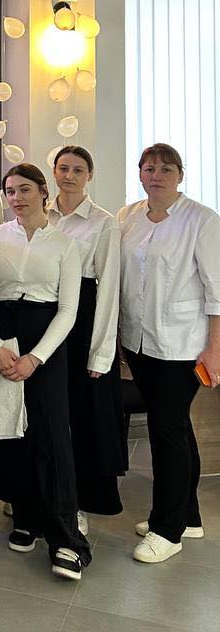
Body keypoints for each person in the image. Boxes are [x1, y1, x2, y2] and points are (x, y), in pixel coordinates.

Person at [0, 163, 89, 580]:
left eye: (25, 189)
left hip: (46, 343)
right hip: (2, 338)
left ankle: (66, 540)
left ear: (44, 192)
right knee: (12, 432)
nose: (17, 198)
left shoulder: (65, 243)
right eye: (10, 191)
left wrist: (36, 357)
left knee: (52, 436)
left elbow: (68, 310)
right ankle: (25, 516)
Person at [119, 143, 220, 564]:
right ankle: (188, 517)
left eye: (165, 168)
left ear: (180, 174)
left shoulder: (202, 220)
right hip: (139, 341)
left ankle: (167, 529)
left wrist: (215, 349)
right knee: (175, 428)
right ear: (140, 174)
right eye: (149, 168)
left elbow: (217, 291)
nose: (156, 175)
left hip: (181, 346)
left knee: (166, 432)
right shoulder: (128, 217)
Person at [47, 146, 125, 527]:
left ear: (89, 175)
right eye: (63, 168)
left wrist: (101, 352)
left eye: (78, 170)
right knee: (49, 408)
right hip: (45, 312)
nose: (69, 176)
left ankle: (77, 500)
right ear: (54, 172)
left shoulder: (103, 222)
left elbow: (109, 288)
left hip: (83, 318)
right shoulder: (40, 213)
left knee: (81, 410)